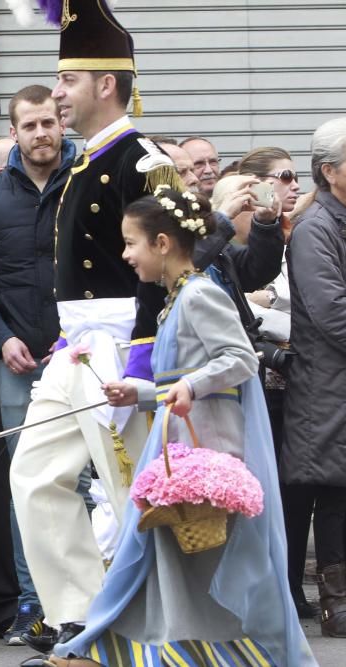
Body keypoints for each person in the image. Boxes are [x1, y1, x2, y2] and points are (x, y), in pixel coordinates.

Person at [50, 187, 315, 667]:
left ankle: (218, 653)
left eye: (132, 243)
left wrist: (189, 385)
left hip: (206, 452)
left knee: (185, 563)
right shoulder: (176, 299)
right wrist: (142, 392)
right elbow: (185, 379)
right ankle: (127, 648)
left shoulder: (199, 296)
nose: (126, 254)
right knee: (162, 559)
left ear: (163, 244)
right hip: (182, 446)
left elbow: (238, 359)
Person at [7, 3, 186, 662]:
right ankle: (81, 620)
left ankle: (153, 629)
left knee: (128, 489)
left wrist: (143, 358)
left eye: (68, 79)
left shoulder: (143, 158)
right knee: (33, 475)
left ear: (105, 83)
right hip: (74, 347)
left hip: (119, 349)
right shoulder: (86, 161)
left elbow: (165, 270)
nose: (57, 93)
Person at [0, 84, 77, 646]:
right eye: (29, 125)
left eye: (48, 123)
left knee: (82, 479)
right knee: (23, 484)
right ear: (14, 131)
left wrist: (81, 335)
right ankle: (33, 605)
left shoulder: (87, 183)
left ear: (62, 123)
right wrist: (2, 338)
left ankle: (80, 602)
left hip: (79, 355)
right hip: (18, 361)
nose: (40, 134)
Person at [282, 116, 346, 638]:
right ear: (330, 171)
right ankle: (337, 605)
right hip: (328, 384)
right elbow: (331, 312)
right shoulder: (315, 229)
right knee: (334, 493)